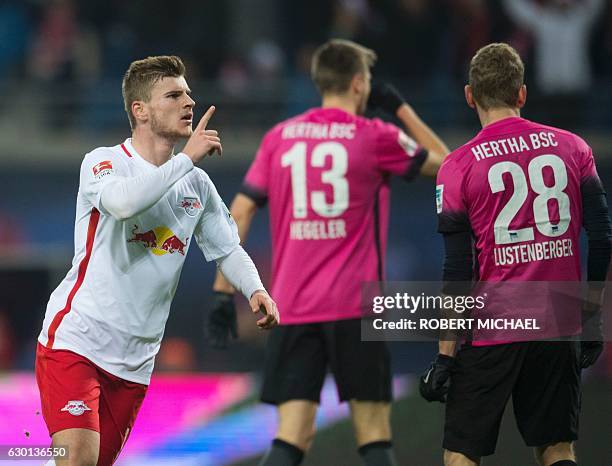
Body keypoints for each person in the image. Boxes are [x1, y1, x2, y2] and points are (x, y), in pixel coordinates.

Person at [210, 39, 449, 466]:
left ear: (320, 81)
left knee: (290, 438)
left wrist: (223, 291)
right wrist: (399, 108)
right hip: (355, 309)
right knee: (374, 435)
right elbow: (449, 166)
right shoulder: (376, 136)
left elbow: (239, 211)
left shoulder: (279, 138)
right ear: (359, 84)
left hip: (294, 308)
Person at [35, 55, 279, 466]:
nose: (189, 101)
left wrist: (255, 288)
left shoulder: (196, 186)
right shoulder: (104, 162)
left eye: (188, 93)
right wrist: (188, 159)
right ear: (140, 110)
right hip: (76, 342)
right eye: (174, 94)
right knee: (77, 459)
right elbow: (124, 204)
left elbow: (227, 248)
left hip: (134, 364)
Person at [419, 43, 611, 466]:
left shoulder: (458, 166)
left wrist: (445, 357)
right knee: (558, 449)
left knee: (461, 454)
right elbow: (601, 238)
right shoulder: (574, 149)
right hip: (557, 327)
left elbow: (458, 270)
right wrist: (591, 319)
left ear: (470, 96)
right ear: (521, 93)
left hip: (493, 329)